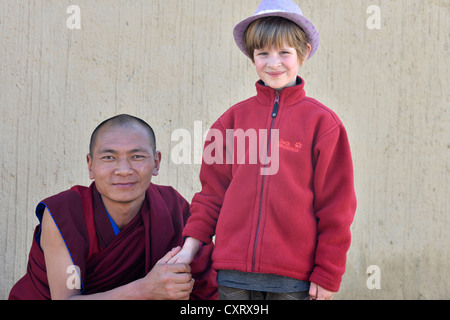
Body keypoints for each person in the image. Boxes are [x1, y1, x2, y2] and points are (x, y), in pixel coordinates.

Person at [169, 0, 357, 300]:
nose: (273, 63)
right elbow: (211, 194)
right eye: (263, 53)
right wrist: (189, 249)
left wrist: (328, 273)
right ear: (252, 57)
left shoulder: (324, 124)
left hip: (293, 280)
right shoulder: (231, 121)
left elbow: (336, 207)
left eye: (284, 52)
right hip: (232, 276)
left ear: (304, 53)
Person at [9, 114, 217, 300]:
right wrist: (145, 289)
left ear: (156, 162)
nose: (124, 170)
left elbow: (207, 289)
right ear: (90, 166)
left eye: (137, 157)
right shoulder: (64, 214)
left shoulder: (172, 207)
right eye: (109, 157)